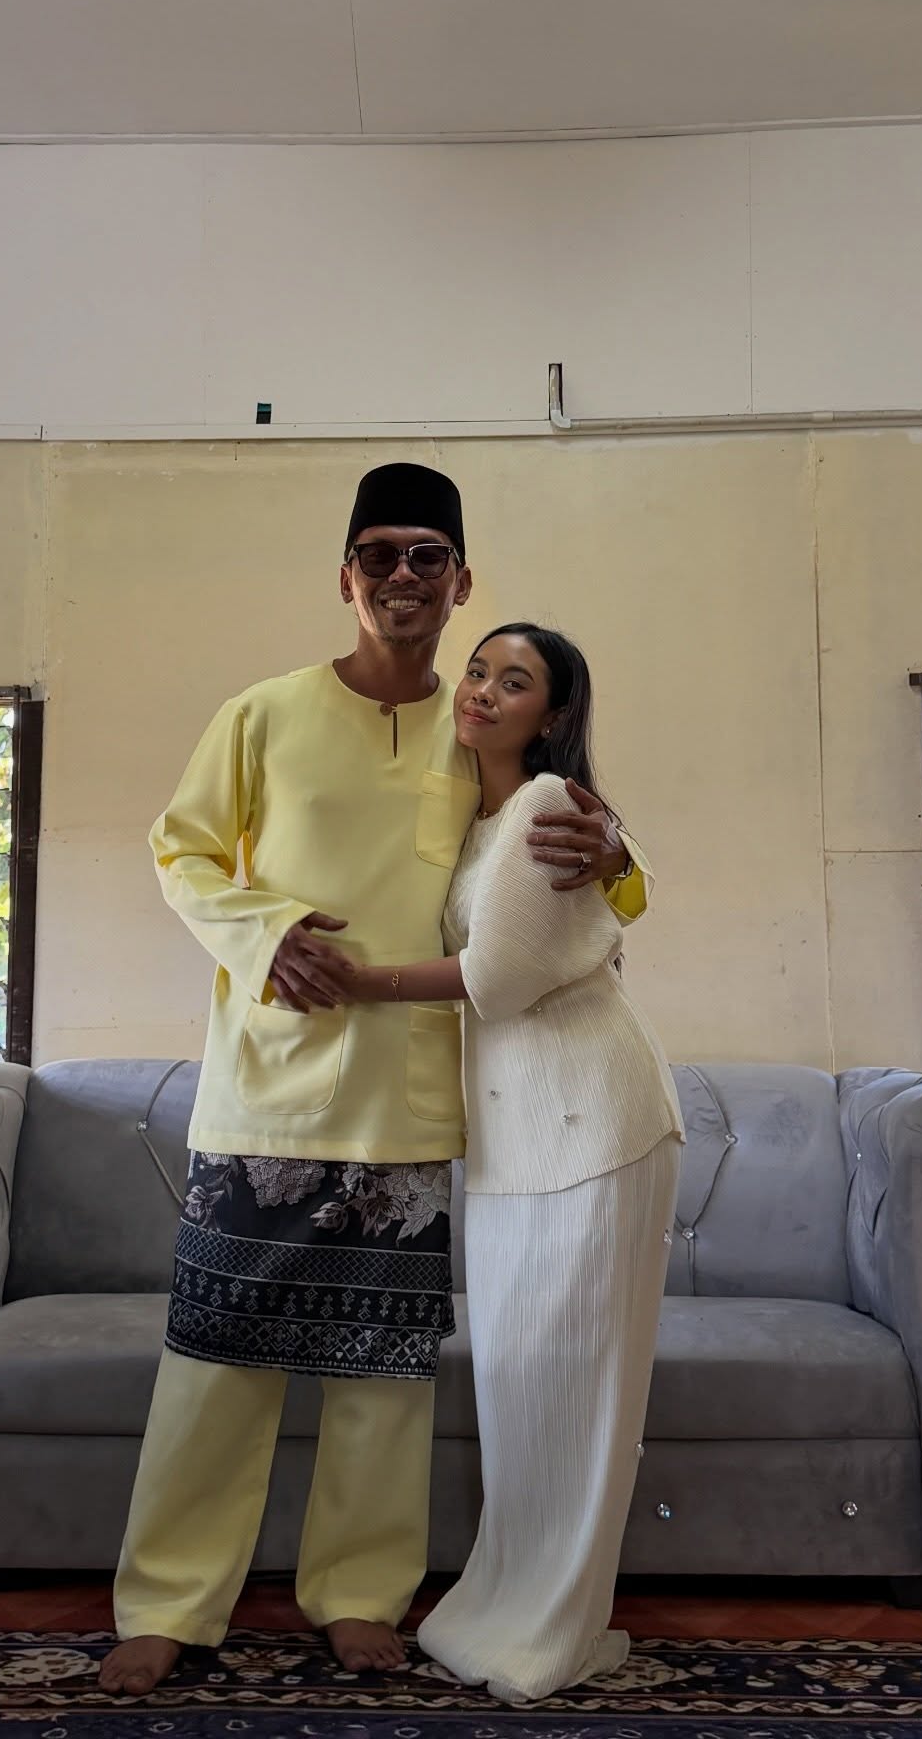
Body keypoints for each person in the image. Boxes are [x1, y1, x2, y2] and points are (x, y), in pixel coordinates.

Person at [100, 466, 650, 1699]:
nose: (404, 576)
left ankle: (358, 1594)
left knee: (381, 1371)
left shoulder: (480, 733)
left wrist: (621, 859)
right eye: (379, 554)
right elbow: (182, 851)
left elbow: (603, 874)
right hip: (266, 1086)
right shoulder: (262, 714)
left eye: (427, 556)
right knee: (216, 1357)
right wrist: (264, 934)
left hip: (412, 1095)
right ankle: (170, 1601)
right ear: (345, 578)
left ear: (461, 583)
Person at [333, 623, 684, 1705]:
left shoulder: (543, 804)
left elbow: (498, 973)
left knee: (578, 1396)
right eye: (479, 671)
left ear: (553, 714)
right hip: (512, 1133)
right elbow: (613, 892)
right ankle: (503, 1611)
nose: (482, 690)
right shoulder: (478, 815)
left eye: (514, 681)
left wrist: (358, 981)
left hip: (595, 1123)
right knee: (523, 1389)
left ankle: (552, 1631)